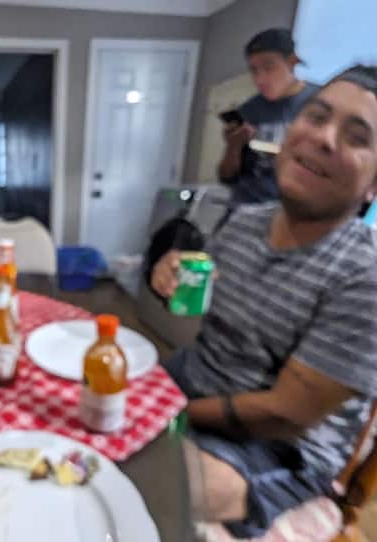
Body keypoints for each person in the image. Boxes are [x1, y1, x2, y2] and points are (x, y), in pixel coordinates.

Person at [151, 65, 377, 537]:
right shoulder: (242, 222)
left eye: (357, 137)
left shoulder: (365, 275)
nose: (324, 138)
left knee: (150, 479)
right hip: (195, 380)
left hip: (279, 447)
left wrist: (161, 412)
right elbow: (200, 304)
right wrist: (169, 274)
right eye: (316, 116)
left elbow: (285, 414)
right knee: (88, 403)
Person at [218, 28, 319, 207]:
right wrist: (233, 147)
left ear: (291, 62)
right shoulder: (249, 110)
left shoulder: (321, 104)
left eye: (268, 67)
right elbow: (227, 177)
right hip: (246, 208)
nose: (260, 79)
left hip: (294, 211)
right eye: (254, 70)